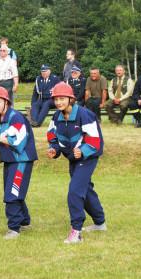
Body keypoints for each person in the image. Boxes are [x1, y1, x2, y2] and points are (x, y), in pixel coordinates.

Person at [47, 82, 106, 244]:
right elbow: (52, 136)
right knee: (85, 189)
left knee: (74, 191)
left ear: (70, 99)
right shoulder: (56, 117)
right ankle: (100, 222)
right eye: (56, 99)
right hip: (72, 157)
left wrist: (84, 151)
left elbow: (95, 141)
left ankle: (76, 231)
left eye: (62, 99)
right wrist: (54, 149)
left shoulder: (84, 115)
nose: (58, 102)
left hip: (88, 158)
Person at [0, 86, 38, 240]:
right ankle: (24, 221)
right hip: (9, 161)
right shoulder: (0, 119)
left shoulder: (16, 117)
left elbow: (18, 142)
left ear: (6, 102)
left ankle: (13, 228)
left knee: (12, 193)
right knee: (13, 191)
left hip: (21, 160)